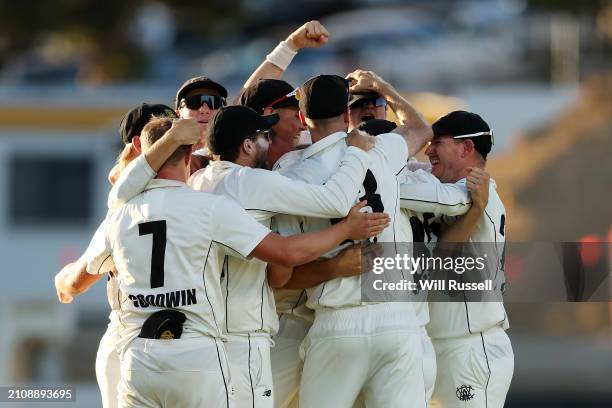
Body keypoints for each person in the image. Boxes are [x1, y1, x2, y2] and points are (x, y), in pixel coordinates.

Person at [87, 116, 388, 408]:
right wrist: (344, 230)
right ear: (189, 152)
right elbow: (287, 252)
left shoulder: (121, 213)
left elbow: (79, 275)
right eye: (263, 137)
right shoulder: (210, 206)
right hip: (203, 347)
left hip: (138, 357)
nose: (268, 143)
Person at [270, 73, 431, 408]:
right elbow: (420, 128)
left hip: (338, 322)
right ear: (347, 115)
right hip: (398, 321)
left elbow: (281, 275)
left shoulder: (293, 176)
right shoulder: (382, 149)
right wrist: (384, 88)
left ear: (302, 118)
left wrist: (331, 267)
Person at [54, 103, 188, 408]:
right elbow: (79, 279)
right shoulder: (127, 210)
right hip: (133, 340)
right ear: (141, 145)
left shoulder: (136, 205)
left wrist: (63, 280)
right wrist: (65, 279)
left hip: (173, 342)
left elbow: (73, 281)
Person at [423, 111, 513, 408]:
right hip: (449, 346)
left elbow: (442, 260)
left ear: (465, 148)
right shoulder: (463, 193)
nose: (428, 150)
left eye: (438, 142)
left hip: (470, 346)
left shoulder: (467, 195)